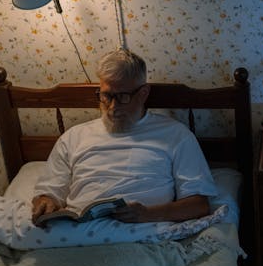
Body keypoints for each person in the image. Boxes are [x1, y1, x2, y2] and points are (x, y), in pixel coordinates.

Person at [31, 48, 217, 225]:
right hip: (81, 231)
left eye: (122, 97)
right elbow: (50, 191)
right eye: (106, 96)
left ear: (143, 93)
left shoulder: (176, 135)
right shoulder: (73, 137)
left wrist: (148, 214)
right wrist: (46, 202)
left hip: (145, 229)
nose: (112, 107)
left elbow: (199, 205)